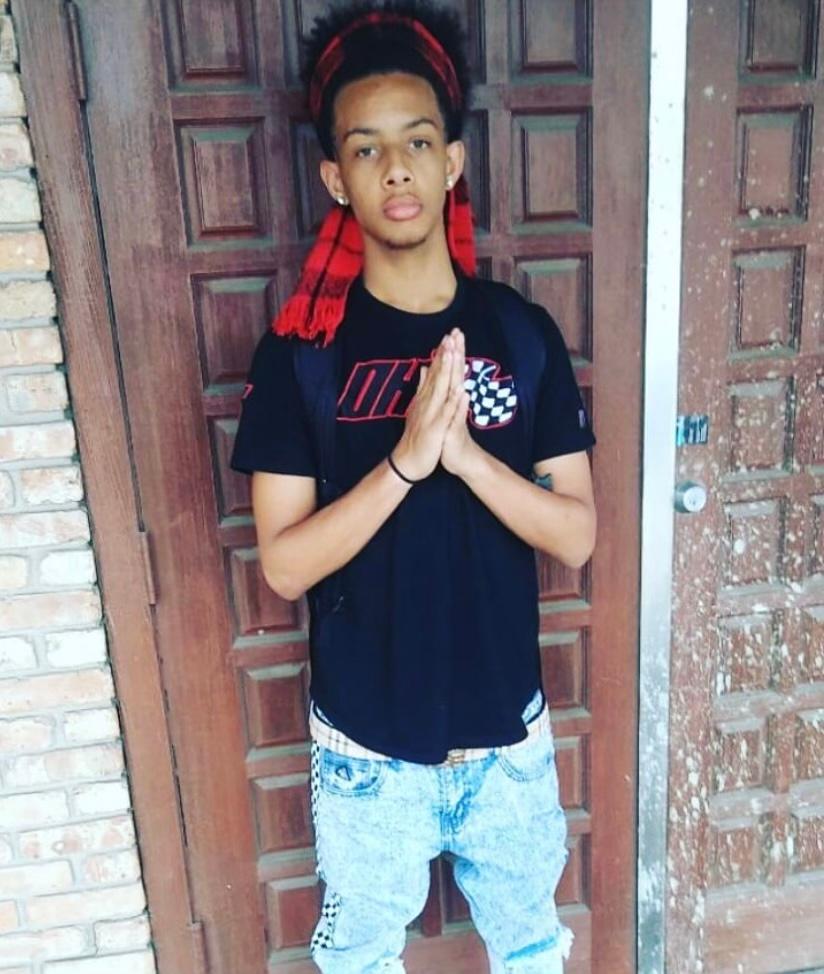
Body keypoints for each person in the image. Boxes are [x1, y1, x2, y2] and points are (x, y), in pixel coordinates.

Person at [230, 2, 597, 971]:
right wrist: (403, 462)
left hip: (507, 738)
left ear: (452, 162)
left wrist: (467, 457)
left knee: (531, 950)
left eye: (417, 141)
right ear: (335, 178)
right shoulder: (301, 354)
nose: (395, 168)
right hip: (367, 746)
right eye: (366, 148)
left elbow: (575, 535)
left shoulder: (519, 335)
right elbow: (284, 564)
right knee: (358, 960)